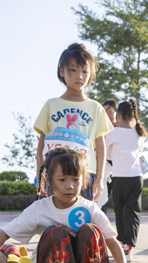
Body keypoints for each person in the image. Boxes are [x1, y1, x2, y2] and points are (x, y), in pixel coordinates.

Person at [0, 147, 136, 263]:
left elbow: (111, 241)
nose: (70, 186)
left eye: (75, 179)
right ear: (48, 180)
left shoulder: (90, 208)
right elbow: (3, 233)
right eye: (62, 179)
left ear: (83, 180)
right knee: (56, 232)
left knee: (89, 230)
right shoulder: (39, 209)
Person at [34, 43, 113, 200]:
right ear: (61, 71)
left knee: (83, 215)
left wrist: (100, 177)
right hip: (56, 172)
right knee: (56, 214)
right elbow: (41, 144)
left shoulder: (95, 107)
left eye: (84, 71)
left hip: (85, 173)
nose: (79, 76)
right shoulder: (51, 105)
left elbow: (100, 145)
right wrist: (39, 173)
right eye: (73, 70)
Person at [106, 99, 148, 262]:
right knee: (133, 211)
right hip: (137, 177)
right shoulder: (139, 133)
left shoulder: (113, 133)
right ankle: (128, 247)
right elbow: (139, 152)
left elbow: (107, 154)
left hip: (119, 177)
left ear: (119, 116)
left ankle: (123, 243)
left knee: (120, 210)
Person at [101, 99, 118, 214]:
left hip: (119, 167)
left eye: (110, 113)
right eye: (104, 113)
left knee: (119, 198)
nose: (107, 116)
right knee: (102, 197)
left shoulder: (122, 129)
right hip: (104, 166)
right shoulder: (99, 130)